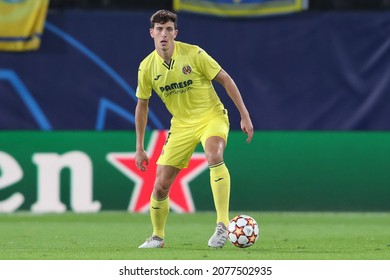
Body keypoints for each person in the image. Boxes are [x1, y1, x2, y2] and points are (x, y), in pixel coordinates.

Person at [135, 10, 253, 249]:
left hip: (211, 116)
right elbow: (142, 105)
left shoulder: (194, 53)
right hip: (181, 126)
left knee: (214, 155)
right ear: (151, 33)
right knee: (160, 186)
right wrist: (139, 147)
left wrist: (244, 114)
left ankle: (222, 225)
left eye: (169, 29)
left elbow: (225, 79)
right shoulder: (147, 67)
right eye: (159, 29)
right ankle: (157, 236)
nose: (164, 34)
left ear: (175, 33)